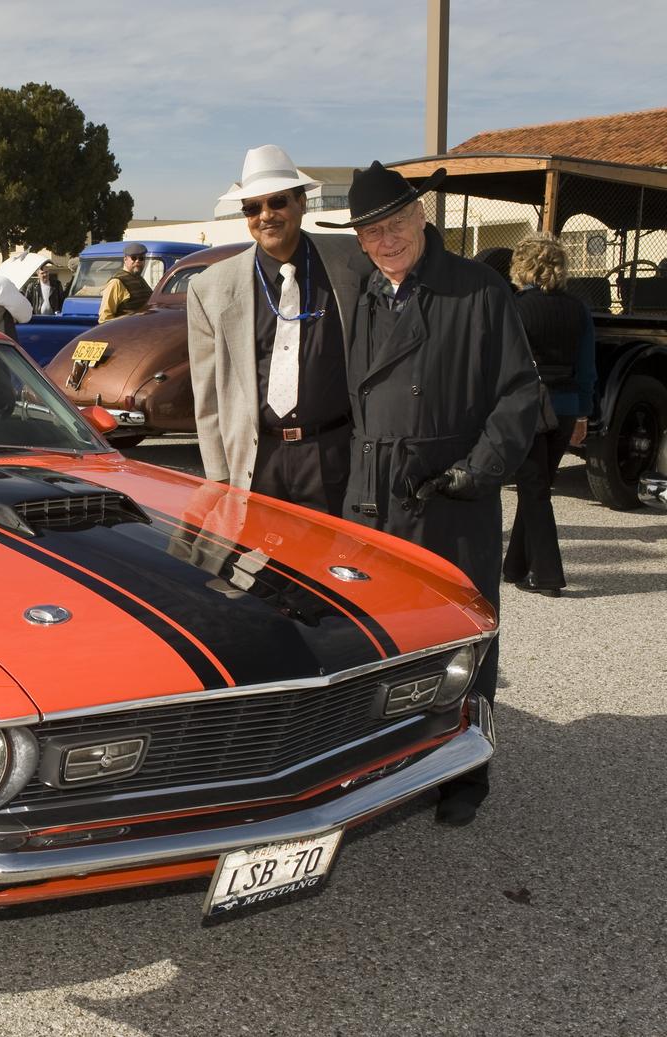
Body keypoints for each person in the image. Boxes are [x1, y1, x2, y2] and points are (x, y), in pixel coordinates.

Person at [318, 160, 540, 826]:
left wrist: (480, 467)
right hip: (371, 498)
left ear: (422, 216)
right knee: (380, 640)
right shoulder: (359, 295)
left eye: (393, 224)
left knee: (466, 639)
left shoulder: (478, 291)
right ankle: (388, 762)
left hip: (448, 497)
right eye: (369, 232)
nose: (384, 240)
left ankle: (466, 774)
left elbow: (521, 392)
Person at [187, 144, 370, 514]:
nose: (266, 215)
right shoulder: (210, 288)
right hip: (258, 461)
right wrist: (219, 476)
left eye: (278, 202)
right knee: (255, 569)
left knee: (331, 565)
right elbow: (206, 397)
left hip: (332, 455)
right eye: (253, 208)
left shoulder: (353, 262)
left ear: (302, 203)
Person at [502, 233, 597, 596]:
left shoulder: (515, 307)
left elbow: (505, 364)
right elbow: (587, 368)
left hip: (527, 407)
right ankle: (514, 568)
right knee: (538, 486)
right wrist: (584, 415)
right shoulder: (579, 308)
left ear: (521, 266)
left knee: (535, 490)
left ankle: (548, 576)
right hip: (568, 407)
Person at [98, 242, 153, 323]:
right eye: (134, 258)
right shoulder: (117, 282)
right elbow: (104, 318)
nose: (138, 261)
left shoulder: (140, 279)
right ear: (125, 259)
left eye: (141, 258)